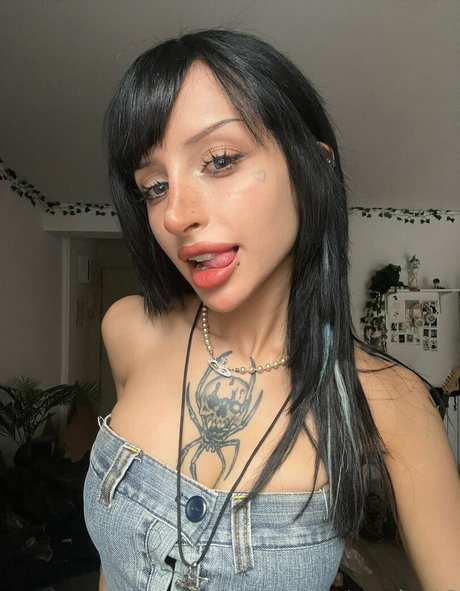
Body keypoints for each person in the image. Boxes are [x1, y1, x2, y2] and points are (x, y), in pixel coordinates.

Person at [83, 30, 460, 591]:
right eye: (155, 186)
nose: (175, 215)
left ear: (313, 168)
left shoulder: (389, 401)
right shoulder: (128, 330)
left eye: (219, 160)